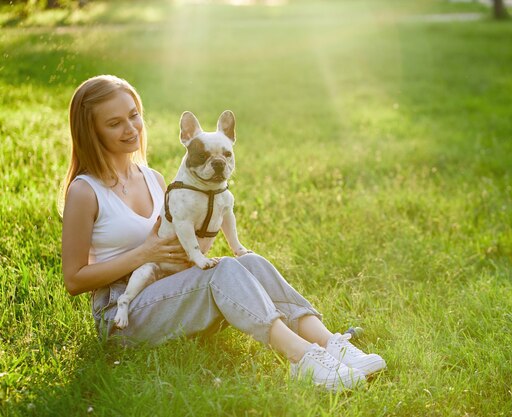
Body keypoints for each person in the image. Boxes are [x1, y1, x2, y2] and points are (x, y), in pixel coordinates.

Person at [60, 75, 386, 391]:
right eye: (114, 123)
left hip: (170, 288)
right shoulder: (85, 191)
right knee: (224, 269)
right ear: (92, 131)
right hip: (123, 314)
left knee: (251, 262)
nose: (130, 128)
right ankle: (302, 359)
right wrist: (143, 255)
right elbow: (75, 280)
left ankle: (333, 345)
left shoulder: (153, 178)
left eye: (133, 116)